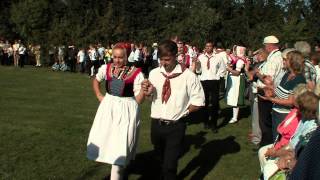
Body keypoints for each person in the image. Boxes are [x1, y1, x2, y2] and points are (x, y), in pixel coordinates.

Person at [86, 43, 150, 180]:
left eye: (121, 57)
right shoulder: (107, 68)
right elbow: (96, 80)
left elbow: (138, 100)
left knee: (121, 144)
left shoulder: (137, 73)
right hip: (108, 108)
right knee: (105, 138)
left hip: (127, 109)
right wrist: (99, 95)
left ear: (126, 57)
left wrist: (143, 92)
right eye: (115, 57)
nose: (117, 60)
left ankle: (117, 173)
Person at [146, 40, 205, 180]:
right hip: (156, 124)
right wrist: (149, 93)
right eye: (161, 59)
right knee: (159, 160)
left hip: (176, 126)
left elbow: (199, 102)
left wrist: (183, 113)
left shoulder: (188, 76)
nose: (164, 63)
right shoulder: (154, 73)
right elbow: (150, 99)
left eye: (167, 59)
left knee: (170, 165)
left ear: (175, 56)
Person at [259, 51, 306, 139]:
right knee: (275, 139)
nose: (283, 61)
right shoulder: (287, 74)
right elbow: (280, 91)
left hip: (285, 115)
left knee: (281, 141)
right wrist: (269, 87)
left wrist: (270, 99)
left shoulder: (299, 79)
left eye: (286, 59)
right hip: (277, 112)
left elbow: (290, 102)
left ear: (293, 62)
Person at [255, 35, 283, 146]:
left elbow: (268, 80)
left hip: (266, 91)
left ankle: (266, 143)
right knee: (269, 119)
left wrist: (258, 73)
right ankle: (269, 141)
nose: (265, 48)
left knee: (265, 120)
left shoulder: (274, 59)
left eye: (265, 45)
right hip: (272, 91)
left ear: (269, 46)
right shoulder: (277, 56)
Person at [197, 41, 226, 132]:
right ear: (205, 47)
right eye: (206, 46)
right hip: (204, 81)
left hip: (214, 81)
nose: (208, 48)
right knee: (204, 103)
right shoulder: (201, 57)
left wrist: (218, 77)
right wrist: (197, 65)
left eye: (209, 46)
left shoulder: (218, 57)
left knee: (215, 103)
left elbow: (223, 69)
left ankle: (214, 124)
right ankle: (205, 122)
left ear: (213, 48)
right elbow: (198, 71)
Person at [225, 45, 248, 123]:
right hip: (236, 79)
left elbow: (237, 73)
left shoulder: (240, 61)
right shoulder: (240, 59)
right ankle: (234, 116)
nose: (234, 52)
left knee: (236, 98)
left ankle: (235, 117)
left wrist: (229, 69)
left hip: (237, 80)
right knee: (234, 98)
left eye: (235, 50)